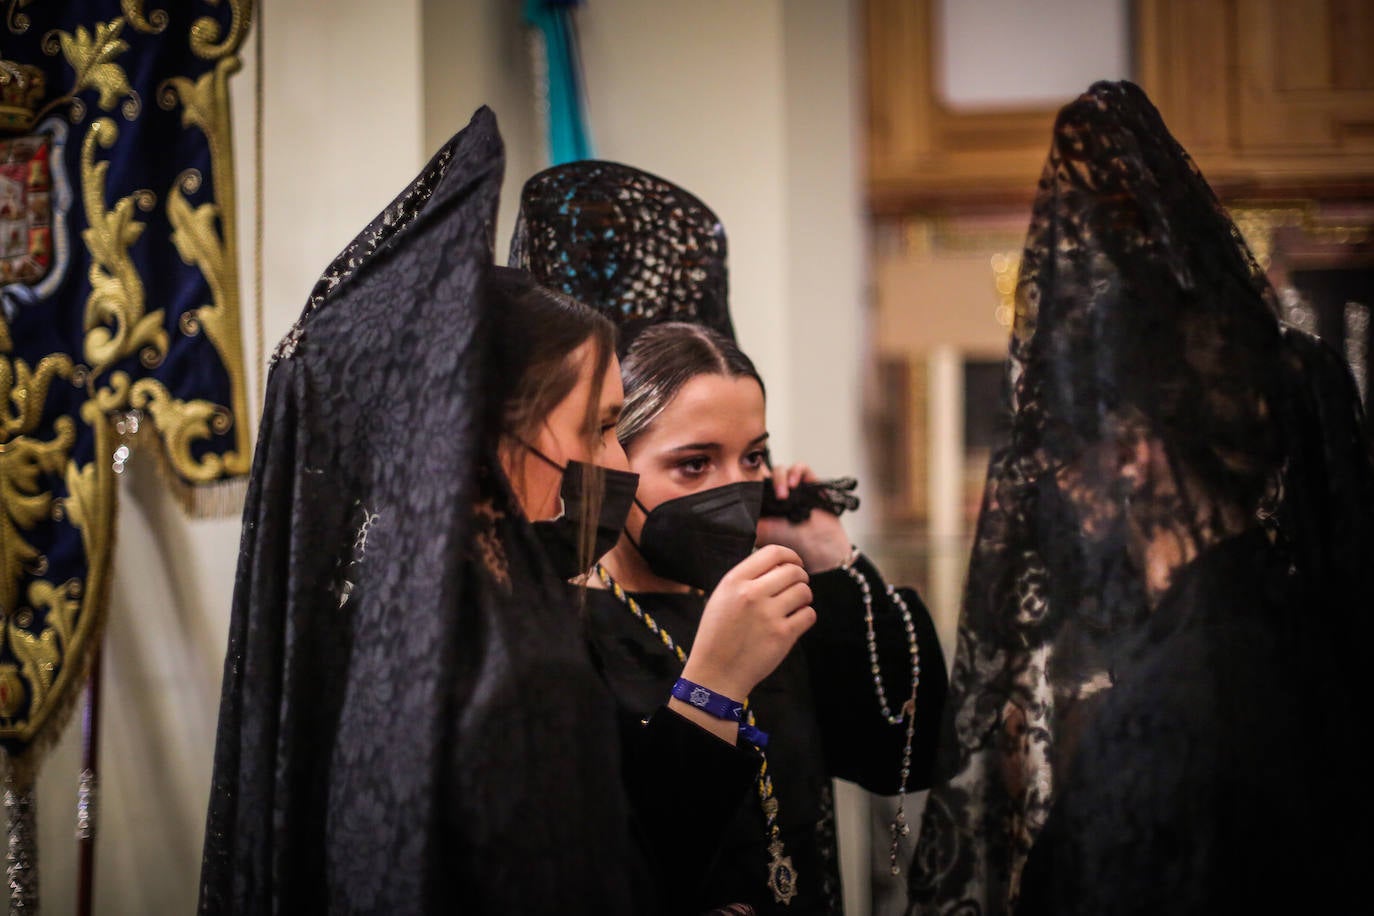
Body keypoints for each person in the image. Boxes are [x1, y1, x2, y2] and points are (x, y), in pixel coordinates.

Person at [905, 81, 1373, 915]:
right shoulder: (1294, 619)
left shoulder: (1178, 707)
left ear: (1133, 452)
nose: (1050, 478)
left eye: (1062, 443)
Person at [200, 109, 647, 914]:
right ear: (486, 423)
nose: (617, 464)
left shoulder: (398, 602)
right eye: (598, 427)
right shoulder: (522, 664)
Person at [512, 161, 949, 915]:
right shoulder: (558, 624)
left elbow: (902, 753)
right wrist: (712, 680)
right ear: (612, 457)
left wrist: (831, 560)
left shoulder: (766, 593)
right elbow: (603, 864)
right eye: (692, 463)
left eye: (752, 457)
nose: (730, 488)